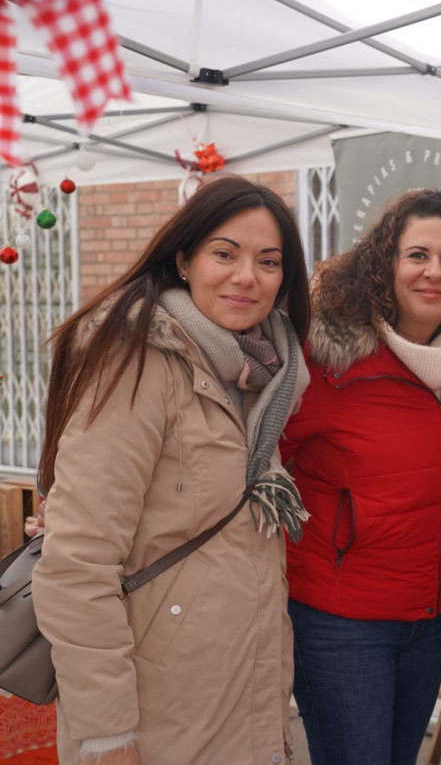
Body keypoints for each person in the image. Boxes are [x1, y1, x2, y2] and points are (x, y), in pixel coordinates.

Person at [32, 175, 311, 764]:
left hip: (238, 698)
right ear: (184, 260)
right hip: (152, 711)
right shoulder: (138, 361)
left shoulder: (265, 379)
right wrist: (105, 732)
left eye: (268, 261)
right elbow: (79, 560)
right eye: (224, 254)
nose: (247, 276)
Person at [280, 189, 441, 765]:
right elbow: (253, 466)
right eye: (418, 255)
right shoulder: (324, 363)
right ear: (385, 264)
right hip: (339, 625)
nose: (434, 272)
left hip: (426, 624)